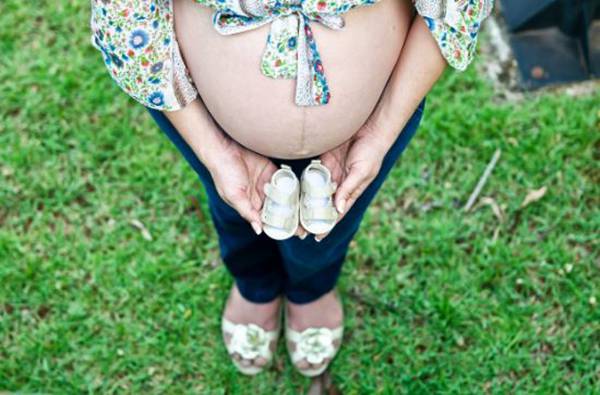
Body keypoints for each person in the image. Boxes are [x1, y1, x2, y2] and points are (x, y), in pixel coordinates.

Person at [90, 0, 493, 377]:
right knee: (233, 206)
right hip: (202, 111)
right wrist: (215, 152)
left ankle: (312, 291)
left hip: (378, 112)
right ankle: (254, 284)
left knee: (336, 215)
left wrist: (380, 130)